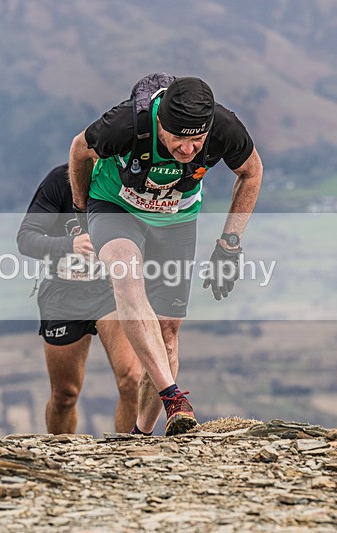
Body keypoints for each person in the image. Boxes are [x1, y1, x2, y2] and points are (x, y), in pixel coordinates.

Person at [68, 76, 263, 436]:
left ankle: (142, 433)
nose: (188, 150)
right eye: (178, 139)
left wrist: (229, 244)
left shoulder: (225, 127)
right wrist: (80, 216)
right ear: (159, 126)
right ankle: (174, 396)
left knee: (168, 331)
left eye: (197, 141)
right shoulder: (125, 124)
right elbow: (80, 149)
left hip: (176, 217)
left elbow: (251, 172)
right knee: (127, 279)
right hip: (114, 207)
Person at [17, 164, 144, 434]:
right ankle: (61, 459)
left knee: (132, 380)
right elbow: (25, 239)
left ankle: (130, 456)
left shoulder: (130, 179)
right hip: (63, 292)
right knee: (65, 394)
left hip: (111, 290)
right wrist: (68, 244)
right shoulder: (58, 181)